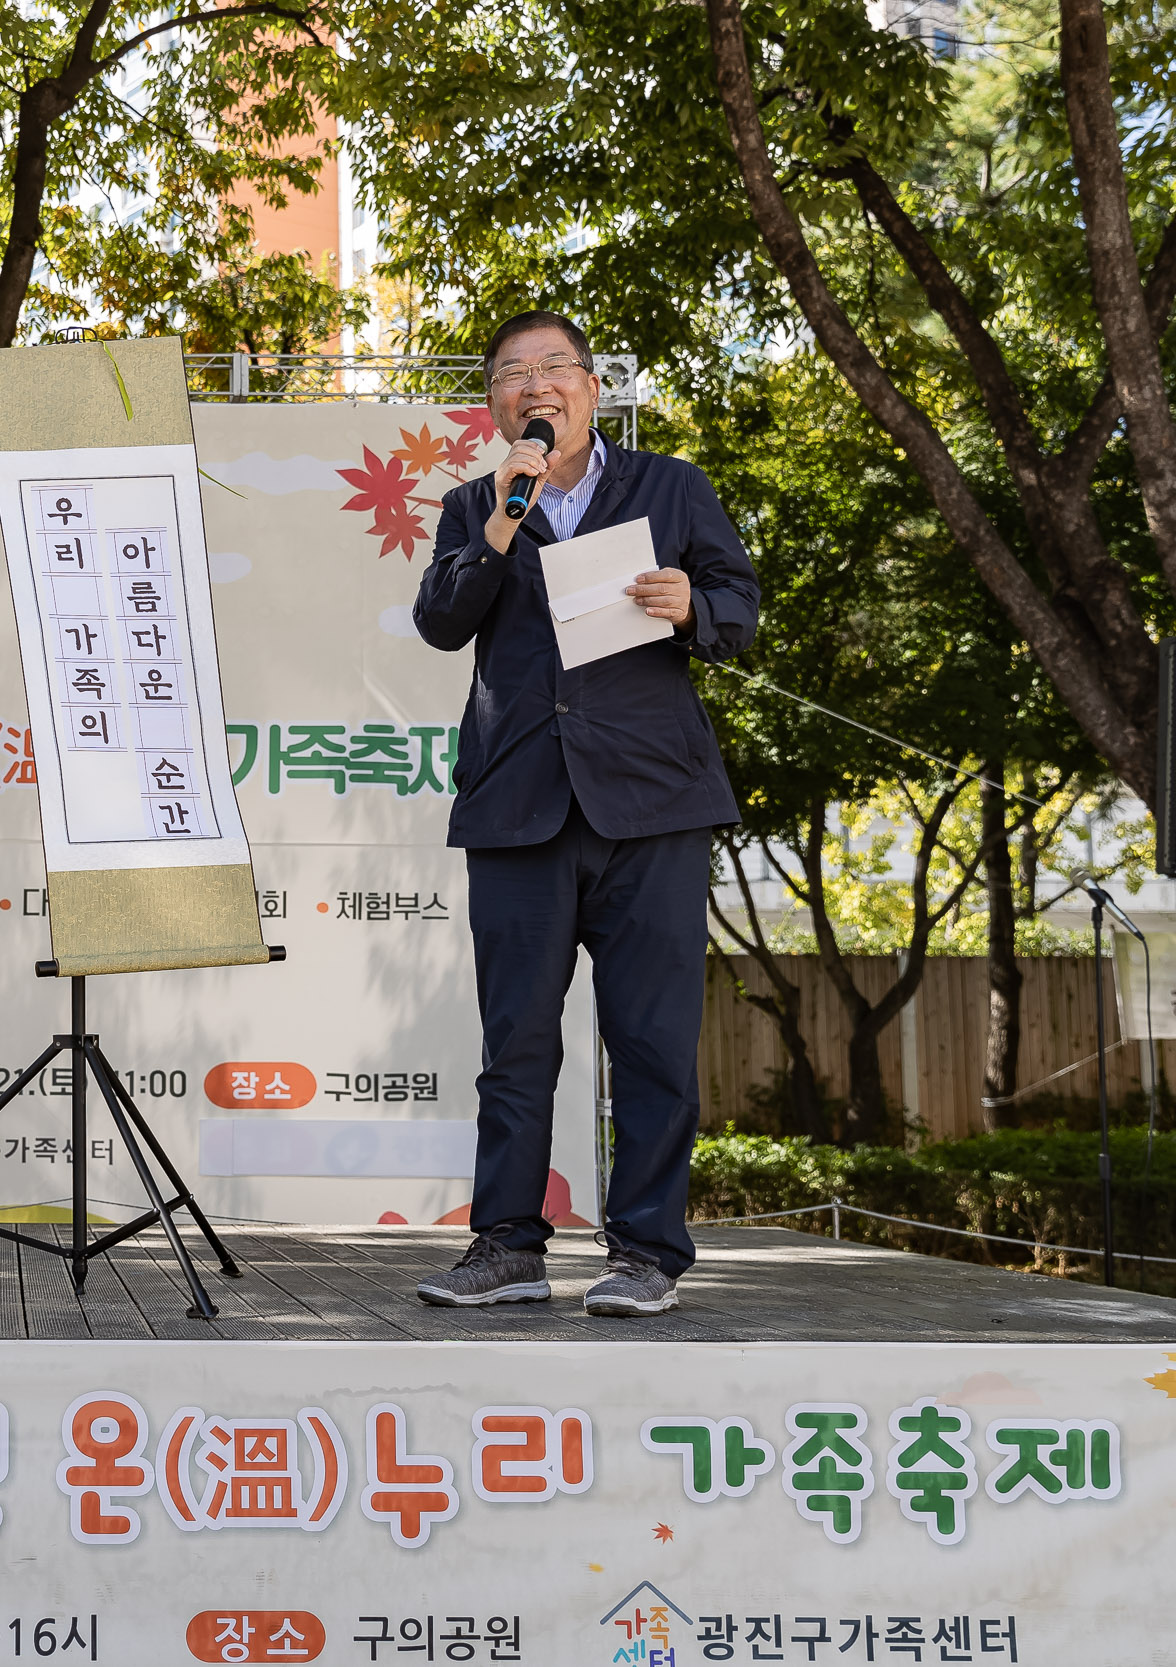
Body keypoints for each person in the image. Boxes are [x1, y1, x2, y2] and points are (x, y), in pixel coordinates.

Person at [410, 310, 759, 1316]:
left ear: (589, 387)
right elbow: (441, 621)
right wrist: (500, 526)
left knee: (650, 1039)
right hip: (518, 801)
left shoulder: (670, 486)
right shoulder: (477, 503)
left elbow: (740, 603)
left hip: (651, 801)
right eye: (512, 373)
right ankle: (507, 1246)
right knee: (514, 1040)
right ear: (493, 405)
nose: (534, 384)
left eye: (553, 365)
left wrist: (693, 602)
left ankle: (646, 1253)